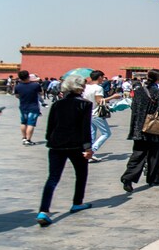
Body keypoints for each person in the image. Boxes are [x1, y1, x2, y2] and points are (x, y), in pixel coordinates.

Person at [36, 75, 93, 226]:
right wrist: (88, 147)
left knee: (53, 178)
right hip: (76, 145)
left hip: (56, 145)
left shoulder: (57, 104)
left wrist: (50, 139)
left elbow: (50, 126)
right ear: (81, 87)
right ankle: (77, 202)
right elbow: (85, 128)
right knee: (81, 174)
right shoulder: (85, 104)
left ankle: (43, 210)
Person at [120, 69, 159, 192]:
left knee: (138, 153)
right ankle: (153, 178)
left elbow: (133, 107)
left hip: (138, 126)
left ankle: (128, 177)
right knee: (155, 153)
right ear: (158, 79)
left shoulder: (138, 91)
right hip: (153, 128)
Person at [82, 70, 122, 162]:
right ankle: (91, 151)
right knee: (106, 133)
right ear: (99, 77)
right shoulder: (98, 88)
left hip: (87, 113)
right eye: (102, 77)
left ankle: (87, 152)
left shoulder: (86, 87)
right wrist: (113, 97)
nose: (103, 79)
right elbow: (99, 101)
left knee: (92, 133)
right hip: (96, 113)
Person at [14, 70, 43, 146]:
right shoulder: (35, 85)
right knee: (31, 124)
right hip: (33, 107)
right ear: (28, 76)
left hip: (23, 106)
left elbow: (17, 96)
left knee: (23, 122)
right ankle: (28, 140)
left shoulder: (18, 86)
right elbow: (41, 93)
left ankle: (24, 137)